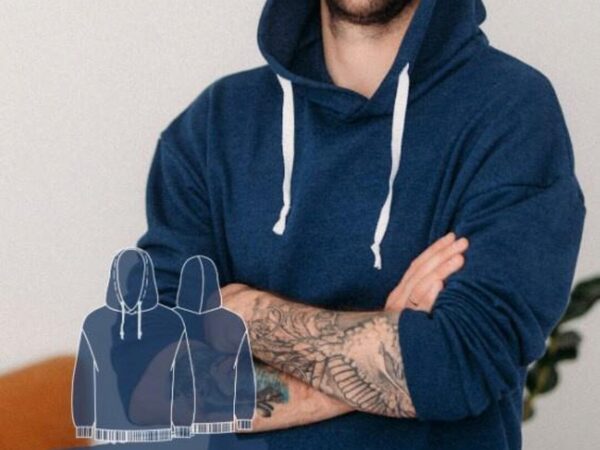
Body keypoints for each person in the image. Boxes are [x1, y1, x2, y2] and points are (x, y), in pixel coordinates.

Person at [137, 0, 586, 449]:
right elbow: (155, 381)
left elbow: (460, 363)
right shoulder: (214, 125)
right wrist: (392, 352)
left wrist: (244, 312)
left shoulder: (511, 112)